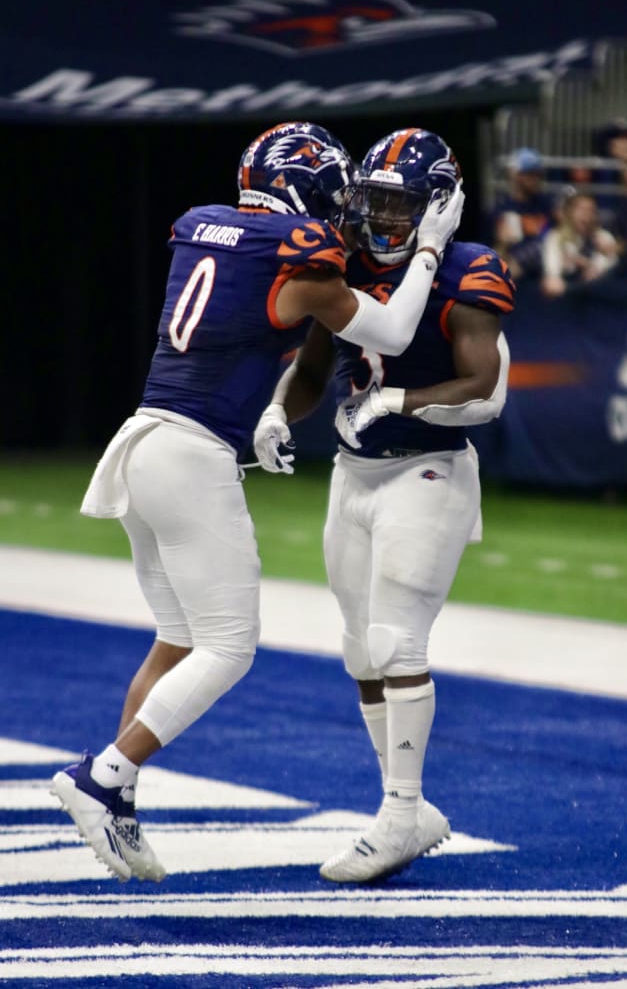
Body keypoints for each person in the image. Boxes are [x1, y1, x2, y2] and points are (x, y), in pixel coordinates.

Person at [50, 121, 466, 883]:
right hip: (192, 456)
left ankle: (119, 800)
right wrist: (432, 245)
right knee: (229, 647)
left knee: (178, 638)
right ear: (308, 189)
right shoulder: (297, 258)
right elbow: (398, 329)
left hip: (142, 438)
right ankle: (103, 775)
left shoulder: (207, 230)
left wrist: (276, 408)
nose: (347, 210)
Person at [253, 127, 515, 883]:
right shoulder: (345, 260)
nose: (384, 223)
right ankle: (404, 806)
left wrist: (399, 398)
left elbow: (485, 392)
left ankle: (402, 812)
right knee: (359, 648)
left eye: (403, 207)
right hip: (355, 474)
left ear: (440, 207)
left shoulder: (468, 268)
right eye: (374, 204)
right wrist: (278, 411)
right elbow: (313, 360)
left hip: (428, 470)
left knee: (398, 643)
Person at [540, 189, 619, 298]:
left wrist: (586, 264)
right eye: (581, 209)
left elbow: (606, 269)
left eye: (591, 210)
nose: (586, 215)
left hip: (598, 295)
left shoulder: (604, 237)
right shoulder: (556, 237)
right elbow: (552, 273)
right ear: (570, 212)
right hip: (567, 293)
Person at [491, 147, 554, 282]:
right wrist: (503, 245)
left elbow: (551, 237)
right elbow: (490, 248)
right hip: (512, 277)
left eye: (538, 175)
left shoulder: (546, 205)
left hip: (541, 274)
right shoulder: (500, 209)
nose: (535, 179)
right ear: (515, 175)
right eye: (529, 174)